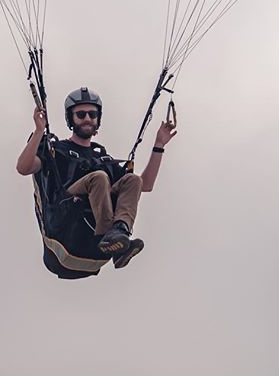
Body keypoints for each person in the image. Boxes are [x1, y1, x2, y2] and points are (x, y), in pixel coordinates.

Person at [16, 86, 177, 273]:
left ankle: (119, 236)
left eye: (92, 114)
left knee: (132, 180)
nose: (87, 119)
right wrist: (39, 131)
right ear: (71, 119)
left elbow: (145, 185)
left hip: (89, 241)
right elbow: (23, 168)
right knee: (99, 178)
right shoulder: (57, 150)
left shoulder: (103, 159)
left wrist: (159, 144)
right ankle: (109, 236)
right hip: (65, 221)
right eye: (81, 114)